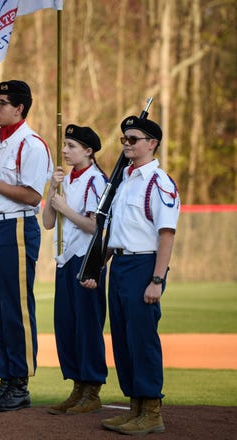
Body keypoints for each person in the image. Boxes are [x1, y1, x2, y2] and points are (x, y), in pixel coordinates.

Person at [82, 116, 180, 435]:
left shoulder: (159, 182)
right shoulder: (124, 180)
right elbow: (117, 232)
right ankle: (135, 407)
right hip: (120, 265)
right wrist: (98, 265)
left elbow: (166, 234)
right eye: (124, 139)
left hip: (143, 265)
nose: (127, 144)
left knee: (142, 339)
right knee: (123, 340)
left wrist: (157, 279)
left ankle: (151, 410)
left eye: (133, 139)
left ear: (152, 143)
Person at [0, 80, 52, 412]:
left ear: (20, 108)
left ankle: (20, 382)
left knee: (15, 308)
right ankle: (5, 379)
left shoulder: (31, 144)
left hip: (16, 226)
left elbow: (33, 196)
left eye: (2, 102)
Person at [42, 125, 108, 415]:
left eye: (71, 146)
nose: (65, 150)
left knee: (87, 325)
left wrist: (66, 208)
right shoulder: (65, 179)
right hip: (65, 259)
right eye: (65, 145)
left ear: (88, 151)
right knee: (66, 325)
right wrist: (52, 189)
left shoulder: (97, 181)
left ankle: (92, 388)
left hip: (86, 261)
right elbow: (47, 222)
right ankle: (77, 386)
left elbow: (96, 226)